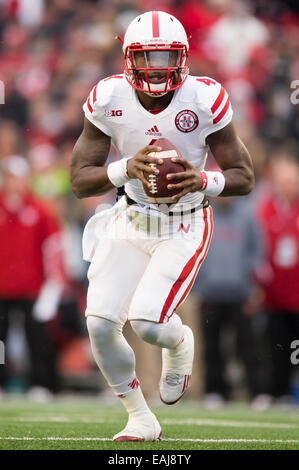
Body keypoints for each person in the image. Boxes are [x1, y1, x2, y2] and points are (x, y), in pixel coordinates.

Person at [71, 11, 254, 442]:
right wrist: (125, 170)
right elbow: (80, 179)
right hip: (130, 217)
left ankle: (179, 343)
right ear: (129, 58)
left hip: (186, 221)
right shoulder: (108, 97)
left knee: (148, 321)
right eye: (147, 56)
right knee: (98, 322)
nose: (156, 66)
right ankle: (139, 416)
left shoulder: (204, 97)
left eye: (165, 56)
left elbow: (244, 174)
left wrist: (203, 179)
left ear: (183, 57)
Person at [0, 155, 65, 400]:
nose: (13, 183)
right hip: (2, 289)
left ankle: (41, 383)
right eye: (9, 177)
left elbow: (53, 249)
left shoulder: (40, 211)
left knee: (37, 339)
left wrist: (53, 287)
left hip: (33, 289)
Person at [192, 196, 265, 408]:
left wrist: (250, 282)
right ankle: (215, 391)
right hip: (210, 293)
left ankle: (257, 391)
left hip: (240, 292)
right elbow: (194, 250)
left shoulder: (247, 215)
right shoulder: (203, 215)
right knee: (211, 346)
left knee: (248, 345)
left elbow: (257, 251)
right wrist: (200, 284)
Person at [256, 154, 299, 403]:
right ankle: (277, 391)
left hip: (296, 291)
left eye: (292, 179)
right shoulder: (265, 210)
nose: (289, 185)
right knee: (276, 346)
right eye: (284, 179)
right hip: (273, 295)